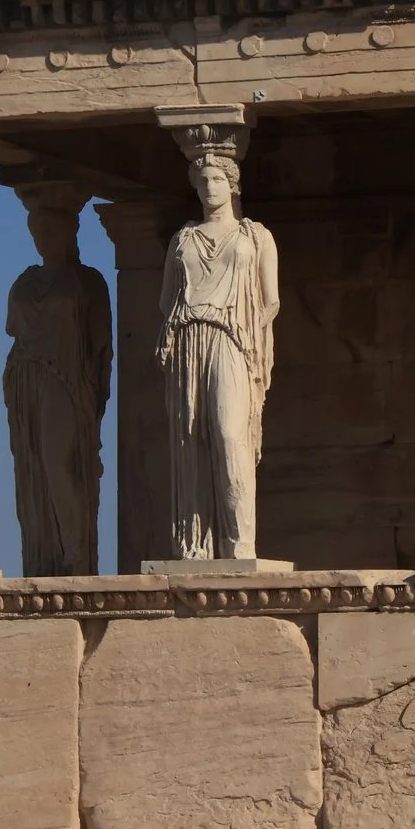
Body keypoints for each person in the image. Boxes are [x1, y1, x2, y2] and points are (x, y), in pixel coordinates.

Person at [157, 149, 278, 561]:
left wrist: (254, 345)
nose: (210, 188)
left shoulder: (255, 236)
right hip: (188, 339)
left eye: (217, 180)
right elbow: (165, 301)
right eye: (203, 181)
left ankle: (240, 542)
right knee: (191, 438)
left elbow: (271, 301)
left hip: (233, 339)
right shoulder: (183, 239)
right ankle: (195, 545)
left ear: (232, 184)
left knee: (229, 433)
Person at [3, 194, 111, 576]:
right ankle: (46, 555)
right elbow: (14, 331)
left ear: (69, 233)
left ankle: (76, 553)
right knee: (33, 465)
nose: (43, 238)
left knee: (56, 461)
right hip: (26, 379)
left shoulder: (88, 282)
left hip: (67, 381)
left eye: (51, 231)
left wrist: (96, 398)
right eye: (38, 231)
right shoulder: (25, 282)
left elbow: (101, 350)